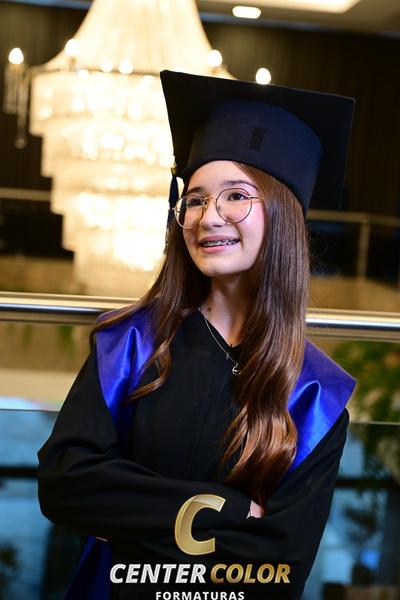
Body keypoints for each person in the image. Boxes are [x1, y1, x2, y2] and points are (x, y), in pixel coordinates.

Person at [37, 70, 357, 600]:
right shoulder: (131, 345)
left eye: (236, 196)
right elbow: (65, 484)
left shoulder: (316, 394)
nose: (209, 217)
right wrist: (231, 510)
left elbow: (280, 566)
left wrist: (128, 525)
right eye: (196, 199)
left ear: (282, 215)